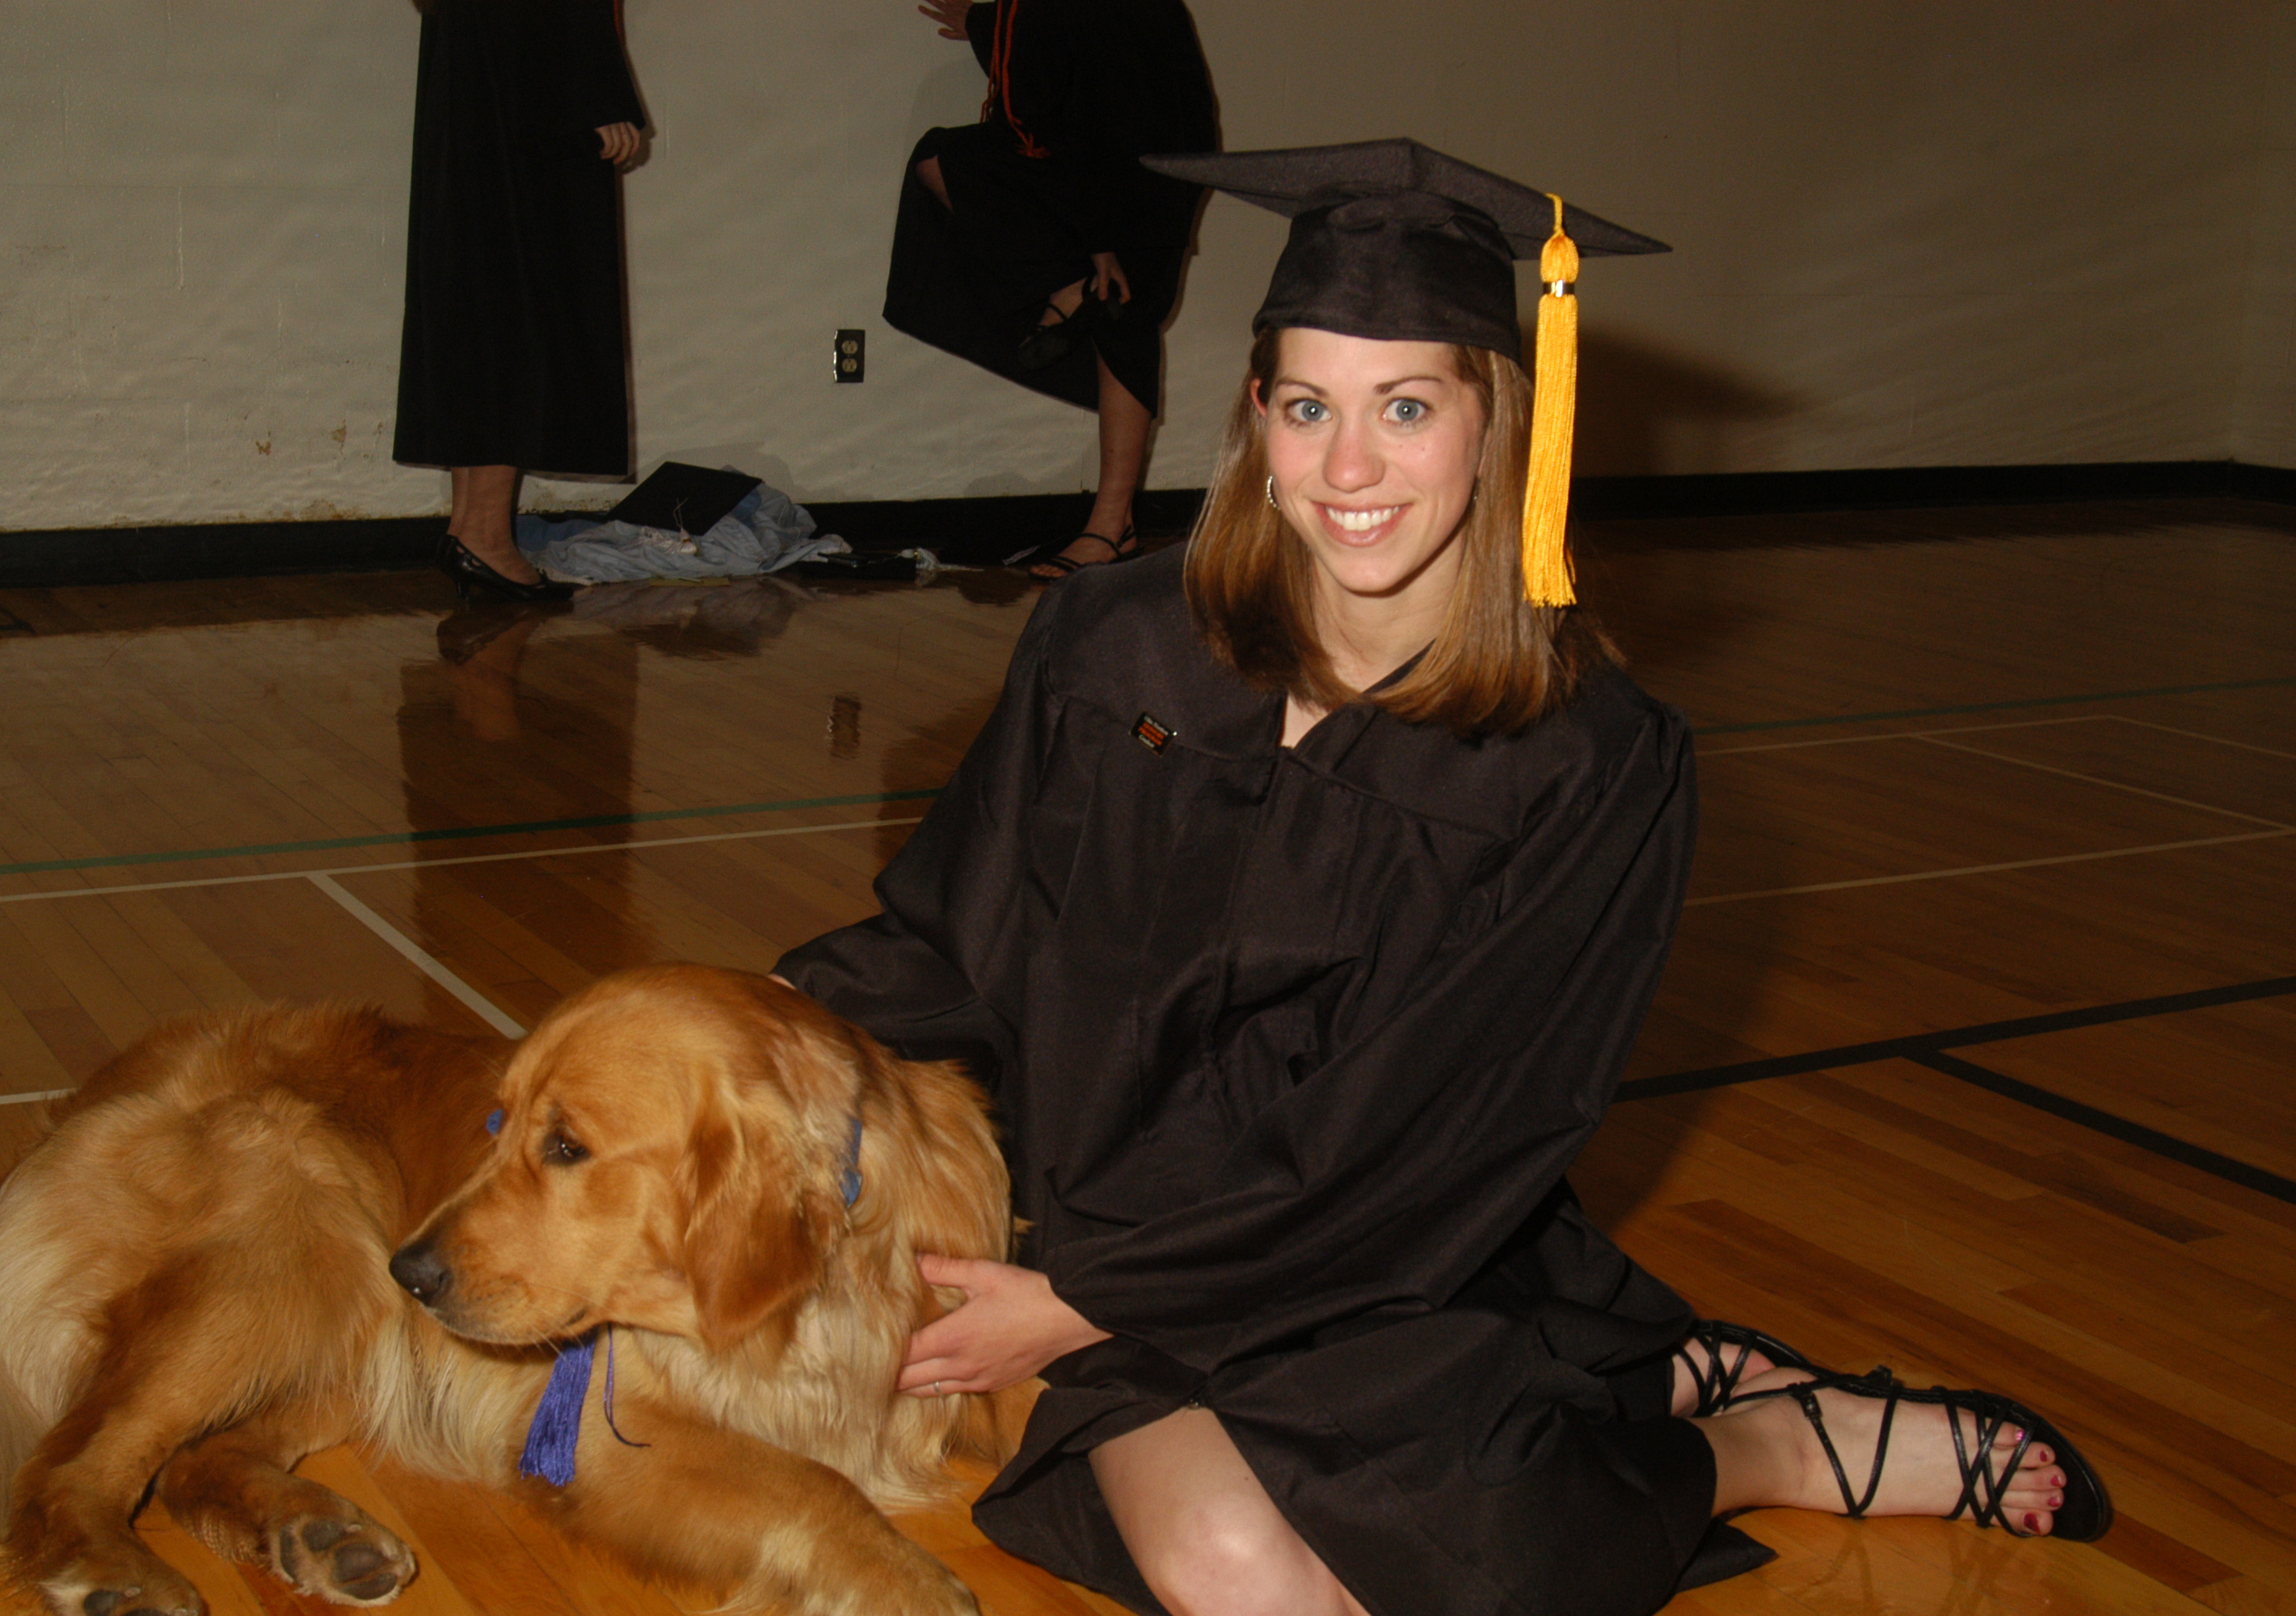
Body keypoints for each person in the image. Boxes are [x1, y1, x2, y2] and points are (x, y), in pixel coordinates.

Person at [777, 140, 2109, 1616]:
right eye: (1306, 408)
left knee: (1402, 1555)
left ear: (1499, 429)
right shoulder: (1114, 649)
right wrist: (741, 1030)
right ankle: (1674, 1387)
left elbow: (1438, 1133)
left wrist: (1083, 1308)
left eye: (1404, 408)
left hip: (1367, 1254)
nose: (1346, 471)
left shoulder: (1583, 761)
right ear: (1255, 421)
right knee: (1244, 1568)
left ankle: (1758, 1443)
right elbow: (954, 938)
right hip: (1108, 1219)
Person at [887, 0, 1219, 579]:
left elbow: (1068, 113)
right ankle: (1073, 288)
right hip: (1161, 150)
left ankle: (1111, 526)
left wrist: (1098, 239)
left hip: (1145, 161)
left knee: (1121, 314)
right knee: (947, 161)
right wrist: (988, 25)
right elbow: (1069, 67)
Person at [394, 0, 647, 603]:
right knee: (523, 293)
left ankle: (473, 528)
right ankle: (483, 533)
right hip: (531, 78)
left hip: (484, 69)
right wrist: (601, 91)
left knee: (484, 286)